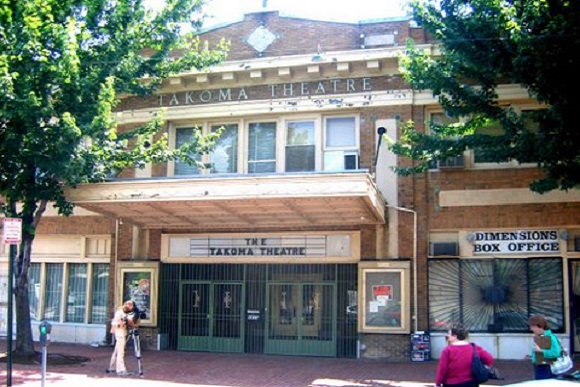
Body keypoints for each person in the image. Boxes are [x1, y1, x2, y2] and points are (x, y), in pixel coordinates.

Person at [107, 300, 138, 376]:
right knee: (121, 352)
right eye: (130, 306)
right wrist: (121, 324)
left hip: (121, 333)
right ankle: (121, 369)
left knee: (117, 351)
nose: (130, 308)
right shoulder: (120, 313)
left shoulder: (123, 313)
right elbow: (114, 323)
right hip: (120, 333)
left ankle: (112, 367)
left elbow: (129, 322)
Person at [528, 314, 561, 380]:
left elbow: (556, 353)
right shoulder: (540, 336)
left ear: (540, 326)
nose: (531, 329)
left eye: (532, 326)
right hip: (540, 367)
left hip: (546, 368)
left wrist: (541, 351)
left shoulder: (550, 337)